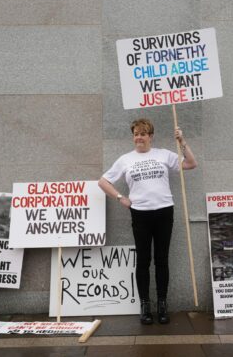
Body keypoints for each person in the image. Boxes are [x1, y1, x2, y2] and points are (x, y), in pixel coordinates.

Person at [98, 118, 197, 325]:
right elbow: (103, 181)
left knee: (162, 260)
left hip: (164, 212)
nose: (139, 137)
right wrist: (120, 198)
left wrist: (182, 141)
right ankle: (145, 306)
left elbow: (191, 163)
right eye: (136, 134)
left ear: (150, 136)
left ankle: (162, 304)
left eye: (143, 134)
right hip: (140, 214)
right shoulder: (125, 159)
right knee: (143, 261)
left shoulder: (164, 155)